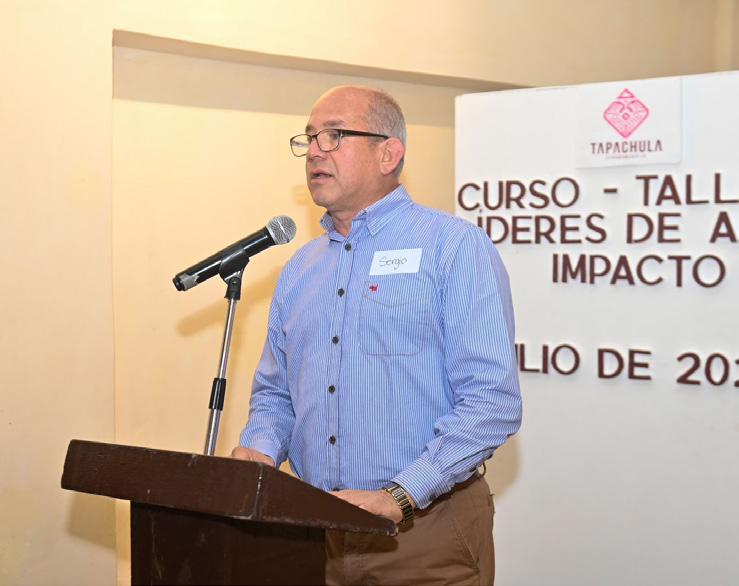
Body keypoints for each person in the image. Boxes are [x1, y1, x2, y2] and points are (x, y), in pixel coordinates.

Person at [232, 85, 522, 585]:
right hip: (314, 530)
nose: (315, 151)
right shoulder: (300, 268)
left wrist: (400, 495)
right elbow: (276, 394)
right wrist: (259, 450)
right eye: (309, 138)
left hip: (423, 531)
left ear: (389, 153)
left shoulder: (453, 248)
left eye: (334, 135)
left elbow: (491, 402)